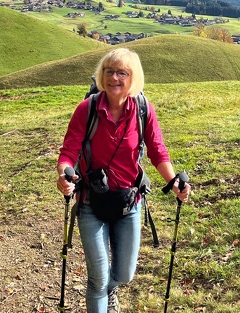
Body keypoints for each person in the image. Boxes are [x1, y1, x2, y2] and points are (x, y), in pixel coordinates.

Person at [56, 48, 191, 313]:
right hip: (90, 202)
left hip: (128, 202)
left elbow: (157, 150)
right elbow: (68, 151)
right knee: (98, 279)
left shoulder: (142, 109)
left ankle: (110, 290)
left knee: (124, 274)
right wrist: (64, 174)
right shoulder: (87, 109)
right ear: (101, 75)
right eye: (109, 71)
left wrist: (173, 180)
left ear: (133, 77)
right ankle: (103, 295)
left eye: (122, 73)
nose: (114, 78)